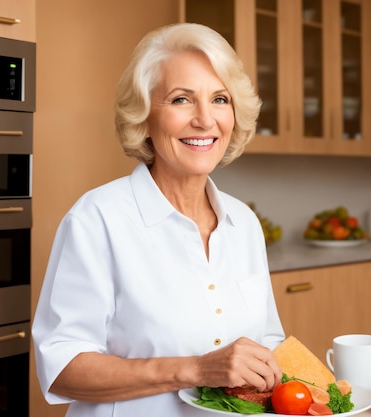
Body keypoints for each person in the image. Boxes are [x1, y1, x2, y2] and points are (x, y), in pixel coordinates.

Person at [32, 22, 285, 417]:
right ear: (145, 115)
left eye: (220, 99)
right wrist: (196, 369)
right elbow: (62, 369)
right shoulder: (97, 219)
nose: (205, 119)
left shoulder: (244, 222)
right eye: (182, 100)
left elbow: (267, 341)